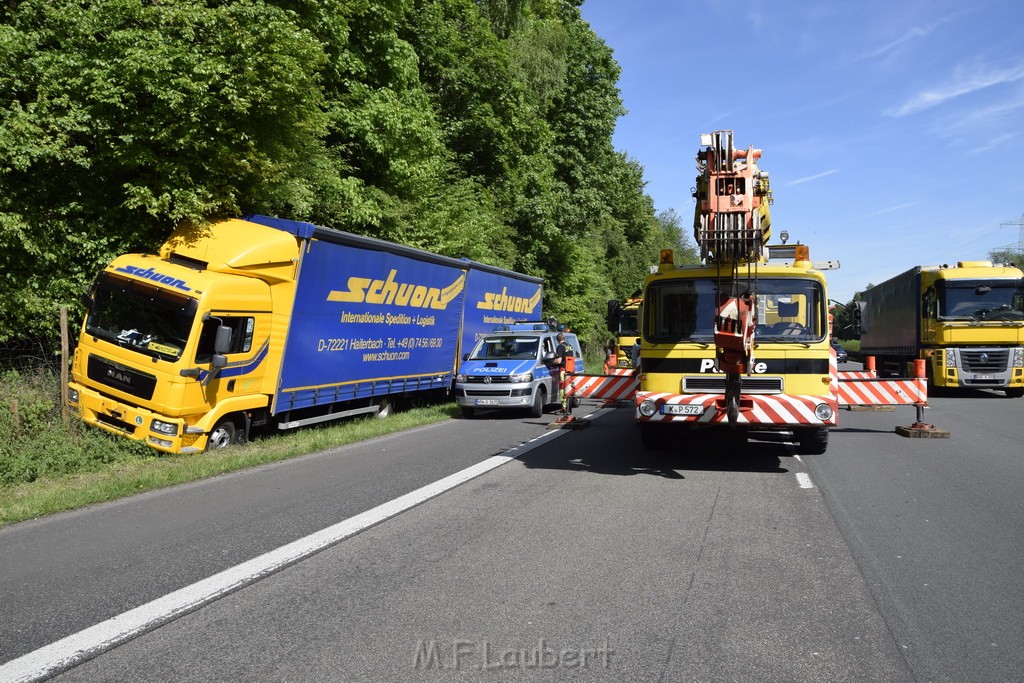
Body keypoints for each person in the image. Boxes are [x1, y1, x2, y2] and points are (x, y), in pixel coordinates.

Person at [554, 332, 574, 413]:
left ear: (558, 340)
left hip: (563, 369)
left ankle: (564, 407)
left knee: (562, 387)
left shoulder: (559, 347)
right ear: (564, 338)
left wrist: (552, 360)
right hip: (571, 369)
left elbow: (559, 361)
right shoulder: (570, 346)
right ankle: (569, 405)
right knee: (569, 387)